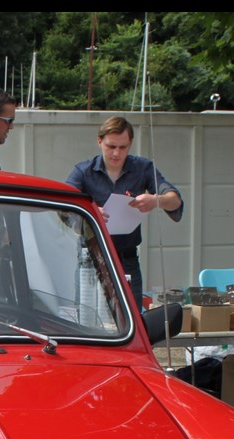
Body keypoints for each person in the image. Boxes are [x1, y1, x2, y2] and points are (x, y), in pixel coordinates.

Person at [65, 116, 184, 309]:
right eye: (111, 146)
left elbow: (174, 199)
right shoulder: (83, 171)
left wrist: (155, 200)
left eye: (123, 147)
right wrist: (90, 212)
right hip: (91, 260)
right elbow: (64, 206)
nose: (116, 153)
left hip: (127, 260)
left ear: (131, 144)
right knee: (88, 318)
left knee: (132, 318)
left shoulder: (143, 168)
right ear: (99, 141)